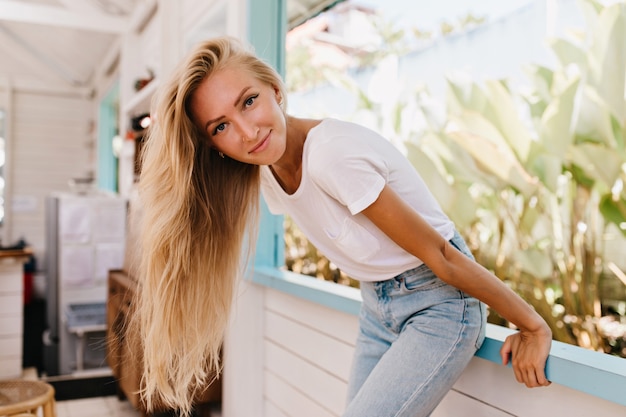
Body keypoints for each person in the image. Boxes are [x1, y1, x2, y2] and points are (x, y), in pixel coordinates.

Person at [135, 36, 552, 417]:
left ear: (276, 90)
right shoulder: (266, 170)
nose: (247, 131)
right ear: (213, 146)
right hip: (378, 306)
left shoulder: (332, 154)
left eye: (249, 101)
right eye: (221, 126)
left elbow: (444, 255)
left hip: (439, 303)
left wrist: (532, 324)